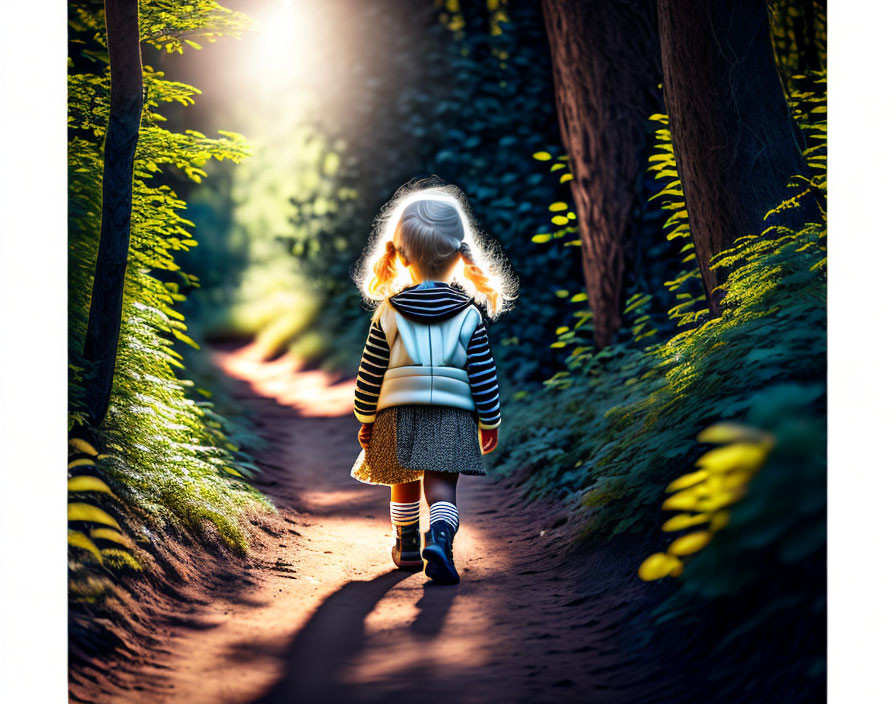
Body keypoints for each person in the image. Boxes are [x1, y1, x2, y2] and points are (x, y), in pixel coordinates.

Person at [350, 180, 517, 585]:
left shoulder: (388, 312)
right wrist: (489, 420)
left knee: (402, 482)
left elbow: (371, 372)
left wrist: (365, 416)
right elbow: (482, 373)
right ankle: (439, 538)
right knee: (442, 488)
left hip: (396, 411)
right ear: (459, 256)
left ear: (402, 257)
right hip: (453, 413)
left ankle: (406, 546)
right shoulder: (468, 315)